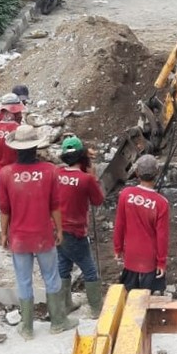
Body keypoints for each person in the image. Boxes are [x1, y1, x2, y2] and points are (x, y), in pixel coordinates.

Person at [0, 124, 78, 339]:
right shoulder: (49, 171)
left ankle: (27, 327)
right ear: (36, 148)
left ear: (16, 149)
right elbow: (55, 206)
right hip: (43, 236)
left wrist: (3, 233)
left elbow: (4, 210)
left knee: (23, 280)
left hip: (19, 238)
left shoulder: (5, 174)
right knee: (51, 277)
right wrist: (59, 229)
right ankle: (58, 322)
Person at [55, 135, 105, 318]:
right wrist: (93, 176)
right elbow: (98, 200)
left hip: (57, 229)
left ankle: (65, 304)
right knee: (89, 270)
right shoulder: (85, 180)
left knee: (63, 266)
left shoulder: (57, 174)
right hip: (76, 231)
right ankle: (96, 309)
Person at [113, 155, 170, 294]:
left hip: (130, 255)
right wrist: (161, 262)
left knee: (129, 295)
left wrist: (118, 248)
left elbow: (119, 224)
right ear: (156, 173)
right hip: (149, 259)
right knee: (149, 297)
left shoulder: (125, 194)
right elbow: (162, 236)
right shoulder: (161, 203)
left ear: (137, 173)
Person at [0, 93, 24, 190]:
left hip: (1, 174)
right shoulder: (20, 130)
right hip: (18, 176)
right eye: (19, 112)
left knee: (4, 202)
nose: (21, 115)